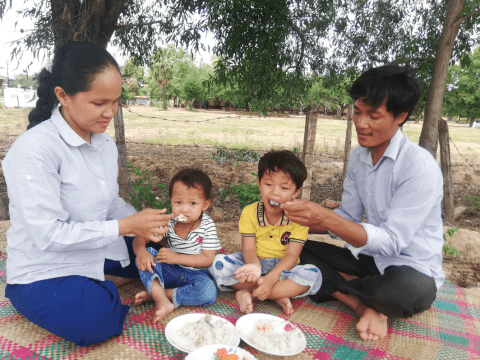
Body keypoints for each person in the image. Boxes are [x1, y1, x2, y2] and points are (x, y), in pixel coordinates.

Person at [3, 41, 173, 347]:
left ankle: (103, 280)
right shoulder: (35, 150)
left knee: (167, 257)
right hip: (43, 270)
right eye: (99, 103)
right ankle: (103, 284)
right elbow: (48, 235)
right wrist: (126, 227)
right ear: (63, 96)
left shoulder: (104, 145)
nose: (110, 112)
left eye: (117, 101)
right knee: (93, 321)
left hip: (93, 247)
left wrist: (144, 223)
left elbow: (110, 204)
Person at [282, 65, 444, 341]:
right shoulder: (359, 158)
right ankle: (362, 304)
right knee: (291, 248)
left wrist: (326, 217)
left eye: (373, 115)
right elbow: (348, 216)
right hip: (370, 258)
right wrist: (295, 221)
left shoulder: (419, 166)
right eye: (357, 111)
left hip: (410, 268)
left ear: (400, 116)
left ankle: (348, 288)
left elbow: (393, 242)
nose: (360, 122)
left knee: (401, 294)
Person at [209, 150, 321, 315]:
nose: (274, 192)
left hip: (284, 270)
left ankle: (251, 293)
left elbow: (291, 256)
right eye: (268, 184)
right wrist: (254, 268)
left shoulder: (299, 217)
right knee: (217, 263)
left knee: (314, 274)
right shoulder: (249, 212)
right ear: (259, 183)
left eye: (284, 187)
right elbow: (248, 250)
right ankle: (278, 293)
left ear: (296, 191)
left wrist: (271, 278)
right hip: (254, 263)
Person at [133, 169, 221, 323]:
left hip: (195, 275)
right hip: (169, 270)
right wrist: (141, 252)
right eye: (178, 202)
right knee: (148, 254)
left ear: (205, 205)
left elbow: (207, 259)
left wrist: (176, 257)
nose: (184, 209)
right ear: (171, 200)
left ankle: (158, 294)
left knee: (208, 292)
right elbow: (141, 237)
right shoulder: (169, 221)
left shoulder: (207, 225)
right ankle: (162, 300)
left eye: (193, 203)